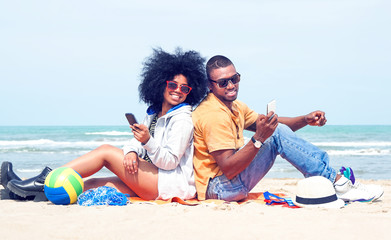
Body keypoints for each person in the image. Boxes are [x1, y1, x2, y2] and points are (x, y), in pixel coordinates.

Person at [1, 48, 208, 201]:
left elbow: (170, 161)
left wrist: (148, 141)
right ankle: (25, 194)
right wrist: (132, 152)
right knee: (88, 185)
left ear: (191, 92)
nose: (178, 90)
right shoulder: (154, 113)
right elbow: (136, 142)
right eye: (173, 85)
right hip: (153, 177)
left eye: (184, 88)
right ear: (160, 83)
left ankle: (45, 179)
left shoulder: (182, 118)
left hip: (167, 183)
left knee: (106, 152)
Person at [192, 55, 383, 202]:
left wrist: (305, 119)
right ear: (210, 85)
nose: (231, 85)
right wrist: (258, 139)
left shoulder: (234, 106)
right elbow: (229, 168)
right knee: (276, 134)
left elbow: (272, 124)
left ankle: (333, 180)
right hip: (218, 189)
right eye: (223, 82)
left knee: (276, 131)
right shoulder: (213, 114)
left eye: (235, 78)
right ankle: (336, 181)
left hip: (226, 184)